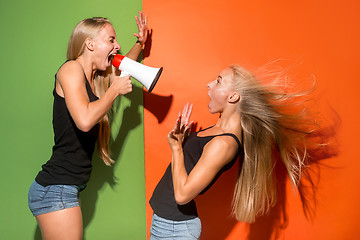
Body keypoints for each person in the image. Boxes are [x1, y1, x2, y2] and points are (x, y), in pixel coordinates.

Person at [149, 65, 316, 239]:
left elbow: (182, 195)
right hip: (167, 224)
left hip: (175, 230)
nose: (209, 84)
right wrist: (182, 142)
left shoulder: (224, 143)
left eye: (218, 81)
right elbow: (186, 169)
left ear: (233, 96)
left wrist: (176, 149)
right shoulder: (217, 130)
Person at [28, 12, 148, 240]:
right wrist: (114, 91)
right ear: (89, 44)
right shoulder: (71, 69)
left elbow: (124, 66)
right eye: (111, 40)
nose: (117, 45)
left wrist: (140, 43)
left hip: (67, 187)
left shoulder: (95, 80)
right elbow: (84, 121)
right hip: (56, 188)